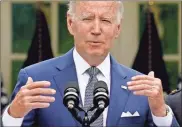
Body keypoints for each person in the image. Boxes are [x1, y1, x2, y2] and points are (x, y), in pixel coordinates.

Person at [2, 1, 179, 127]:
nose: (96, 30)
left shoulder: (140, 85)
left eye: (105, 20)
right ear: (71, 24)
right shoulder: (36, 78)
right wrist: (14, 115)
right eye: (87, 19)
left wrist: (160, 113)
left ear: (117, 29)